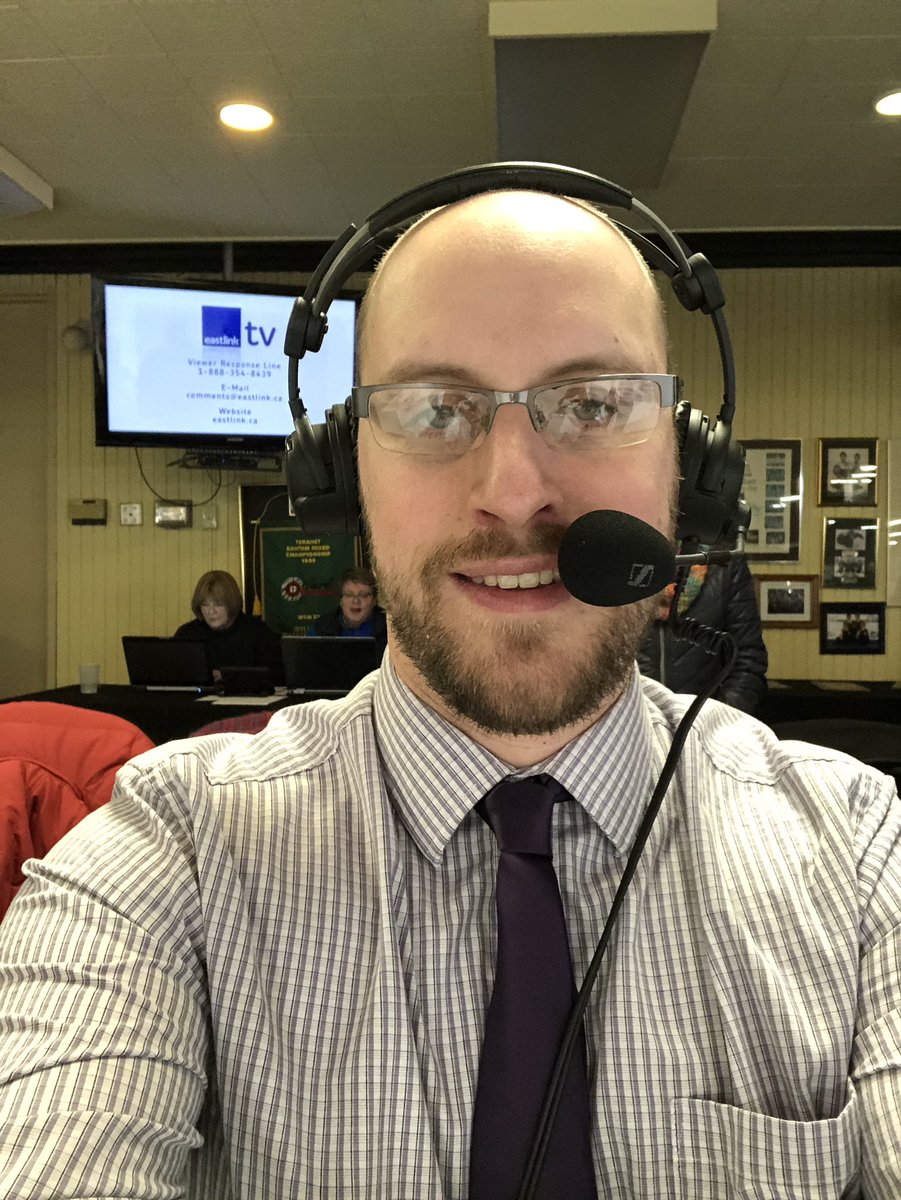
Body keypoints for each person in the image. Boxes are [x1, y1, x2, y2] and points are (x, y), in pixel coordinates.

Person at [0, 178, 898, 1200]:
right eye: (435, 409)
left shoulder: (863, 853)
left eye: (594, 403)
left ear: (688, 472)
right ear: (340, 473)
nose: (514, 490)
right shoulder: (168, 853)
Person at [636, 551, 768, 714]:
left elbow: (748, 660)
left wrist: (716, 722)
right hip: (627, 728)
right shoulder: (619, 560)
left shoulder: (725, 563)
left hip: (708, 728)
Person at [173, 568, 282, 679]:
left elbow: (276, 675)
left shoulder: (258, 633)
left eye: (218, 604)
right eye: (205, 604)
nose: (211, 611)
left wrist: (228, 677)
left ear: (232, 603)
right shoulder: (188, 634)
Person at [306, 564, 387, 658]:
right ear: (341, 600)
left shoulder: (389, 629)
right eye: (349, 595)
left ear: (374, 600)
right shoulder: (320, 628)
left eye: (363, 595)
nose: (356, 601)